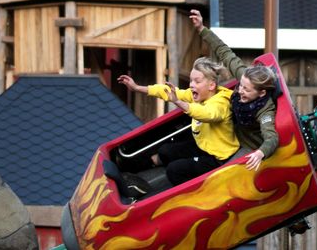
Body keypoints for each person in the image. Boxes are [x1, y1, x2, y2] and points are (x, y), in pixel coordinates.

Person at [117, 57, 239, 186]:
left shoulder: (220, 103)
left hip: (218, 158)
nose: (191, 84)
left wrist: (178, 102)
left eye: (197, 81)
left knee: (175, 170)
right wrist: (137, 88)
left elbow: (207, 114)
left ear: (211, 85)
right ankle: (136, 168)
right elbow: (169, 92)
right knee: (165, 150)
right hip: (205, 146)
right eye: (191, 80)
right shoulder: (198, 94)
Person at [190, 9, 279, 171]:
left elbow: (271, 138)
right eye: (241, 86)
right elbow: (225, 52)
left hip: (244, 145)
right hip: (229, 127)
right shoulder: (245, 76)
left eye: (247, 90)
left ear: (261, 93)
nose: (241, 91)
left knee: (227, 171)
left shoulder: (265, 111)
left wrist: (260, 153)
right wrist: (202, 29)